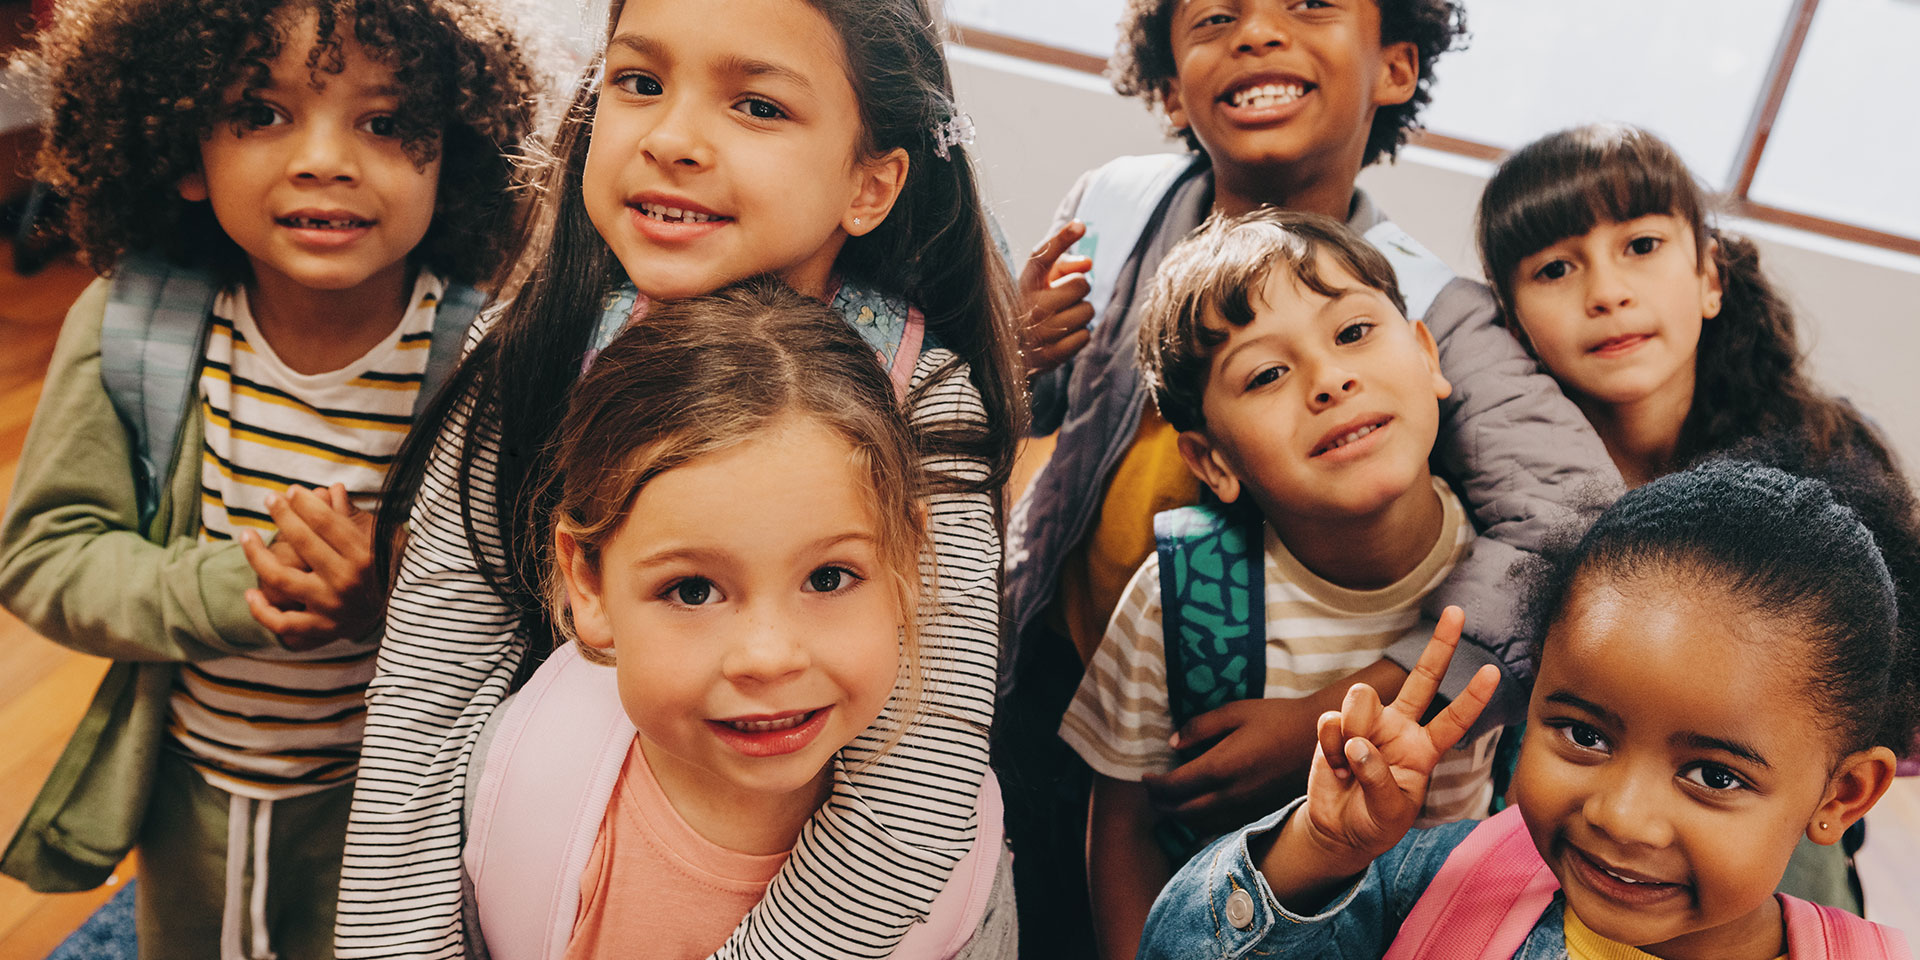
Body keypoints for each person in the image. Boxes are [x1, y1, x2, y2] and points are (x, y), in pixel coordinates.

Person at [337, 0, 1026, 956]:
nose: (670, 139)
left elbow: (914, 790)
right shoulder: (528, 358)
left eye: (756, 106)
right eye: (640, 83)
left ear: (870, 184)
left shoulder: (924, 405)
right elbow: (427, 697)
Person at [998, 1, 1618, 947]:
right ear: (1169, 83)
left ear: (1397, 67)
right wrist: (1006, 354)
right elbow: (1035, 424)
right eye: (1215, 16)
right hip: (1067, 691)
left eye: (1310, 5)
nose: (1257, 33)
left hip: (1308, 742)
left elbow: (1573, 522)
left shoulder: (1434, 304)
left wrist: (1336, 710)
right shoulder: (1113, 208)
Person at [0, 1, 535, 957]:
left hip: (385, 812)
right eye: (260, 112)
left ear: (453, 150)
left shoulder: (477, 363)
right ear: (180, 146)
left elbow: (530, 602)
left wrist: (392, 594)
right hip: (187, 790)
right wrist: (237, 587)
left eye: (382, 121)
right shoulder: (133, 331)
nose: (325, 158)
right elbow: (43, 557)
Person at [1139, 460, 1919, 960]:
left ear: (1841, 796)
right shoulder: (1430, 880)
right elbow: (1179, 949)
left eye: (1714, 776)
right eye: (1584, 734)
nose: (1621, 817)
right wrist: (1316, 850)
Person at [461, 281, 1014, 960]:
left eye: (829, 578)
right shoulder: (513, 786)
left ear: (908, 565)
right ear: (589, 582)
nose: (768, 656)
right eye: (693, 590)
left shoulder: (958, 861)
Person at [1477, 121, 1920, 909]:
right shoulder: (1499, 485)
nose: (1607, 292)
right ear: (1514, 325)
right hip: (1564, 833)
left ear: (1710, 275)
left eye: (1641, 246)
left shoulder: (1827, 461)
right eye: (1555, 268)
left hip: (1767, 838)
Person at [1061, 209, 1503, 960]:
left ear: (1427, 356)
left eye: (1354, 332)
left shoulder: (1508, 574)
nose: (1330, 380)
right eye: (1267, 374)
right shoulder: (1181, 595)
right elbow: (1126, 830)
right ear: (1212, 461)